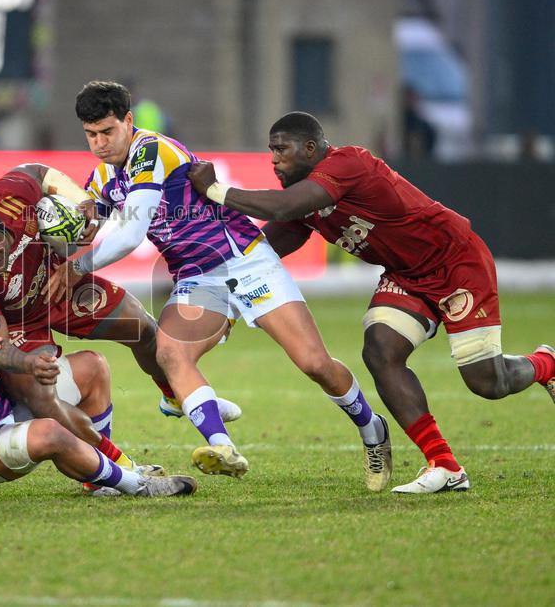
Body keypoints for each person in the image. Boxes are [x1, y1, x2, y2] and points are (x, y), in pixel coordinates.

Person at [46, 81, 392, 490]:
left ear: (128, 121)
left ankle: (373, 429)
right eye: (90, 135)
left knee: (315, 364)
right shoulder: (104, 174)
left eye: (107, 131)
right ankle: (222, 447)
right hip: (198, 277)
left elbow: (129, 235)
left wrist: (77, 267)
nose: (100, 143)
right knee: (172, 352)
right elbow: (89, 221)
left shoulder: (151, 151)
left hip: (246, 261)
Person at [187, 110, 555, 493]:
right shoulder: (306, 193)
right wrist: (224, 284)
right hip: (406, 276)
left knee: (488, 383)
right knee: (380, 351)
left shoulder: (347, 162)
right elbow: (274, 240)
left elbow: (285, 207)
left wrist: (216, 191)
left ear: (311, 148)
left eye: (281, 149)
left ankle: (546, 364)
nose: (274, 158)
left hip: (455, 263)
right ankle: (444, 464)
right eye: (270, 150)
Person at [0, 216, 197, 497]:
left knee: (92, 367)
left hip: (3, 413)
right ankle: (135, 484)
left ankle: (100, 479)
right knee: (50, 430)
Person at [0, 165, 204, 480]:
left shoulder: (9, 197)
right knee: (42, 399)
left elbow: (38, 172)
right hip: (16, 326)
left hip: (57, 283)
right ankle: (117, 466)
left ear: (1, 227)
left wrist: (85, 204)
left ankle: (172, 393)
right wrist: (28, 364)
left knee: (141, 325)